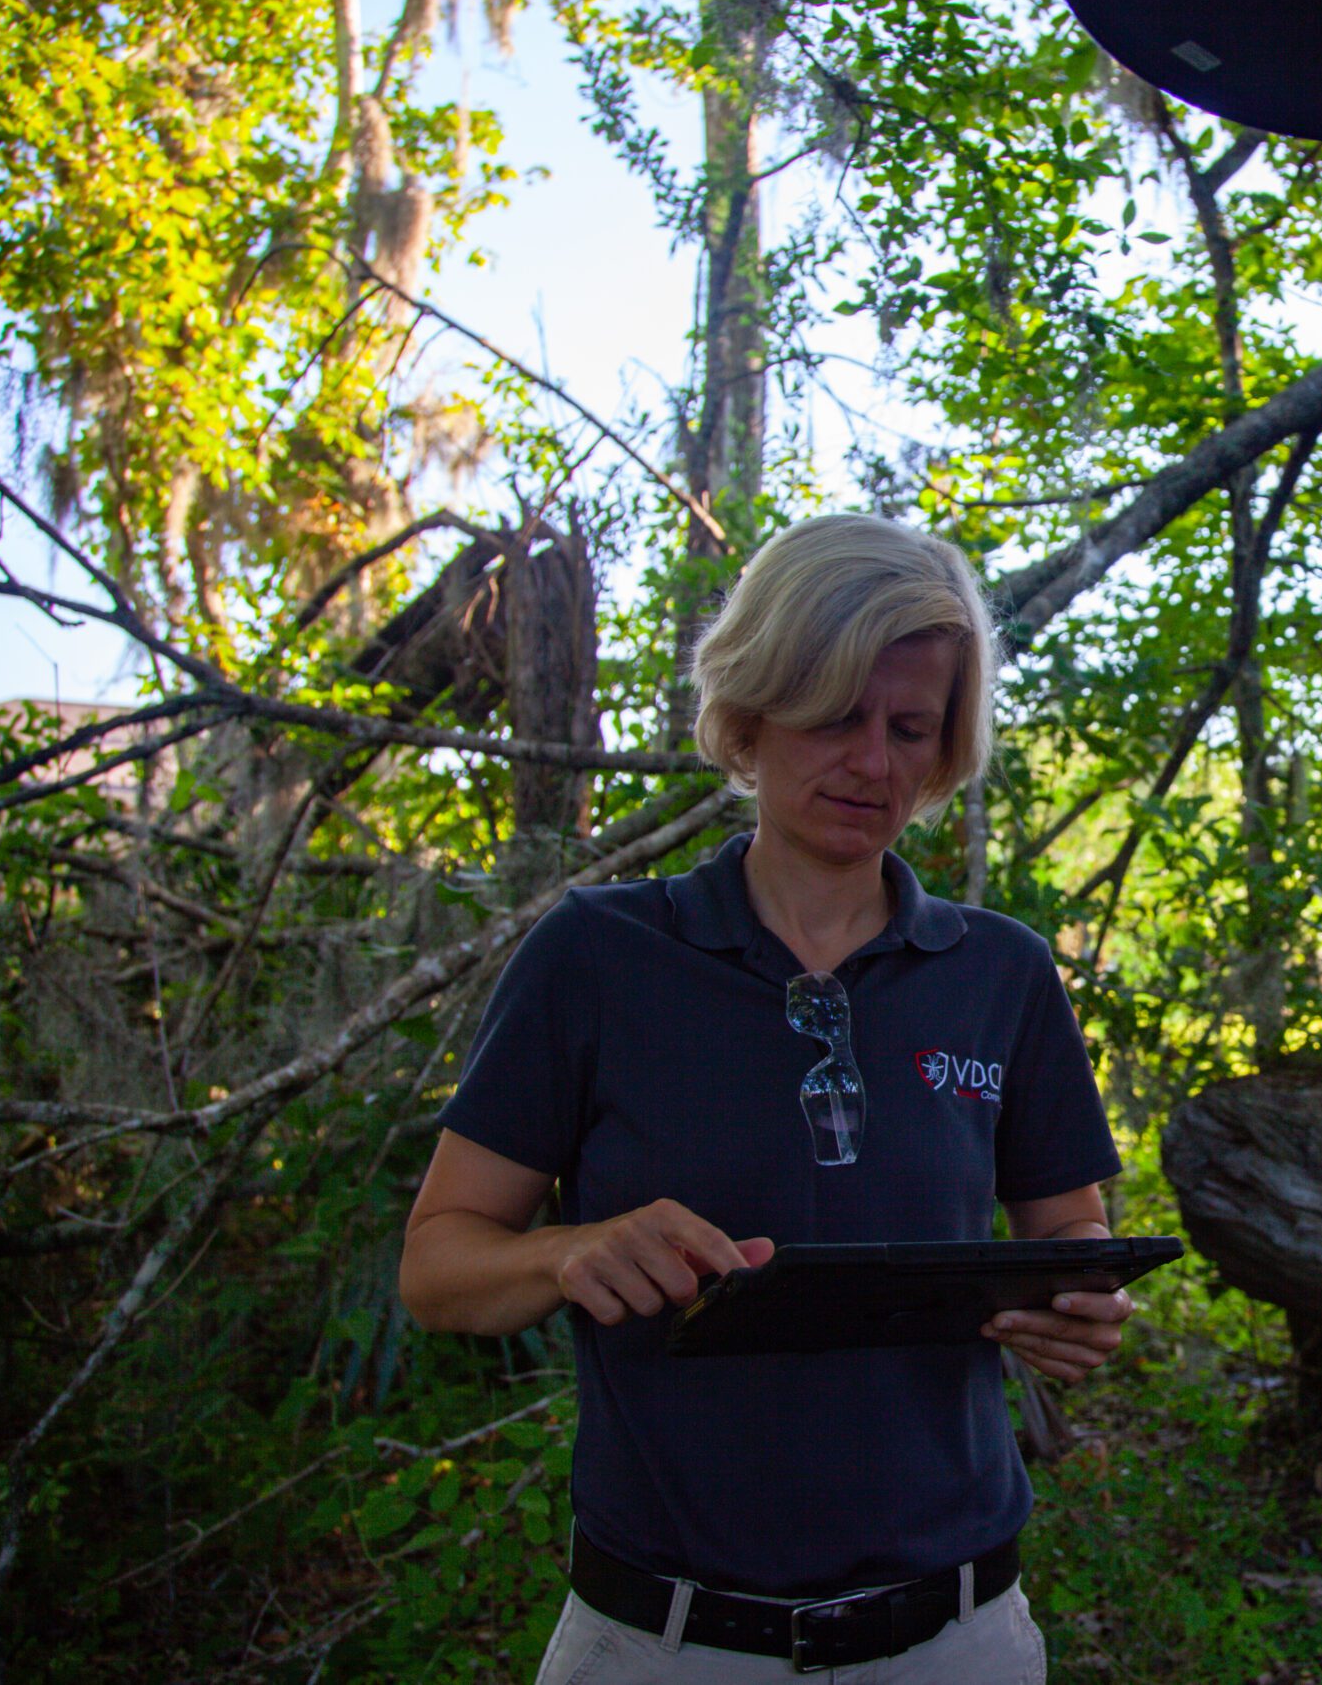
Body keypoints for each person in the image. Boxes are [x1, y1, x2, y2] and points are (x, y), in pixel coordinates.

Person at [399, 515, 1133, 1683]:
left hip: (956, 1636)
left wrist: (1075, 1308)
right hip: (667, 1639)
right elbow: (437, 1266)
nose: (875, 763)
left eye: (911, 728)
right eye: (836, 715)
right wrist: (569, 1254)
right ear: (749, 714)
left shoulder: (1001, 976)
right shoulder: (599, 956)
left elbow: (1070, 1234)